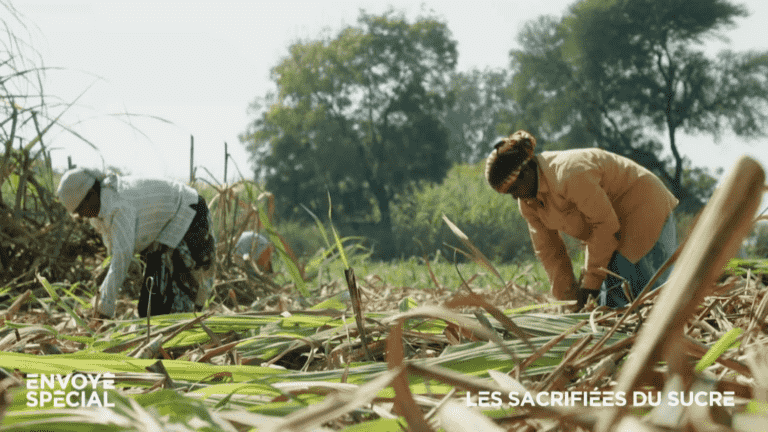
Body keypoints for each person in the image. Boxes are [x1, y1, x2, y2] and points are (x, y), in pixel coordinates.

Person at [484, 130, 679, 309]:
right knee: (606, 303)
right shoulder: (528, 204)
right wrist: (570, 302)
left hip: (642, 207)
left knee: (628, 296)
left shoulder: (569, 173)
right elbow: (550, 253)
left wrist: (589, 286)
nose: (515, 198)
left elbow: (605, 227)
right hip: (611, 227)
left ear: (525, 172)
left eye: (513, 190)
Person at [56, 167, 215, 318]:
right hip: (161, 234)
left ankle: (189, 330)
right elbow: (117, 252)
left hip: (189, 214)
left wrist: (104, 307)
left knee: (180, 297)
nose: (82, 216)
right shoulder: (99, 212)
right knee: (151, 308)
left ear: (90, 195)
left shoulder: (118, 204)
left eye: (81, 210)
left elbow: (122, 256)